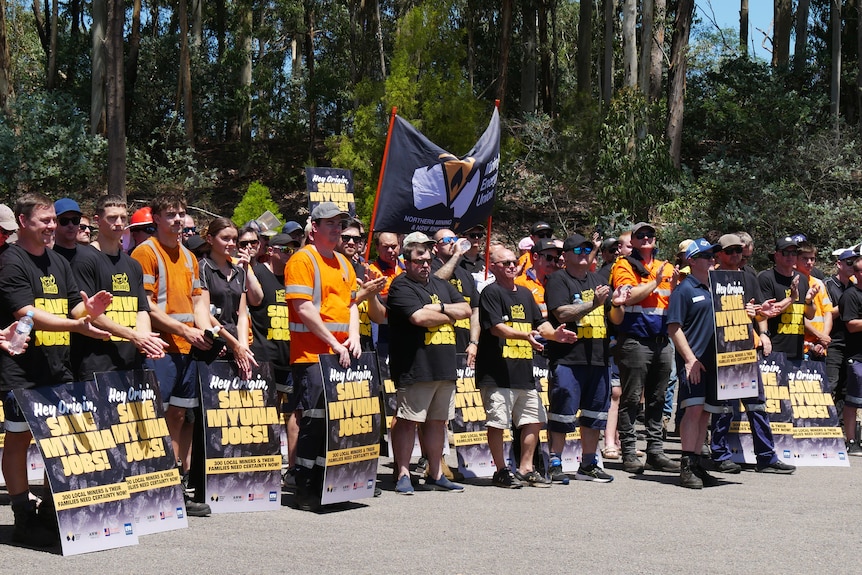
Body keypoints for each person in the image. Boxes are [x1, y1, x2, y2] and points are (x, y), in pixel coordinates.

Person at [0, 192, 113, 546]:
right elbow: (28, 314)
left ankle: (51, 510)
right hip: (21, 370)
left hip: (58, 367)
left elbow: (69, 309)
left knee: (62, 440)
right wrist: (76, 325)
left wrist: (88, 311)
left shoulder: (58, 262)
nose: (53, 227)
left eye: (55, 220)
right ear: (23, 222)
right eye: (45, 221)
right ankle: (22, 515)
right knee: (19, 439)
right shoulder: (10, 261)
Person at [131, 193, 214, 516]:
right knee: (153, 416)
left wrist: (206, 332)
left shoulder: (190, 257)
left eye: (181, 214)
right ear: (157, 219)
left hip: (186, 349)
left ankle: (173, 486)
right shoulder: (145, 252)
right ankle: (147, 486)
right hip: (159, 349)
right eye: (171, 215)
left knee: (179, 417)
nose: (178, 220)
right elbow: (146, 305)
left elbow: (197, 302)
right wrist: (184, 331)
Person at [477, 247, 576, 488]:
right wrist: (525, 336)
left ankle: (526, 467)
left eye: (514, 262)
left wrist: (554, 335)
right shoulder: (490, 293)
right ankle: (501, 470)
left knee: (534, 420)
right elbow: (496, 328)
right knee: (498, 423)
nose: (511, 266)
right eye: (505, 263)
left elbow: (540, 324)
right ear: (493, 267)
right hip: (496, 372)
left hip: (523, 371)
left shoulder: (524, 293)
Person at [284, 202, 361, 510]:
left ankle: (326, 484)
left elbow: (352, 305)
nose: (336, 228)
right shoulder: (303, 259)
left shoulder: (344, 263)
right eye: (329, 223)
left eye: (339, 223)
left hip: (340, 355)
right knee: (314, 422)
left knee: (335, 423)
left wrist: (353, 337)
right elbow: (303, 308)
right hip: (311, 355)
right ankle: (303, 485)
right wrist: (335, 342)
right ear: (314, 227)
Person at [388, 240, 471, 494]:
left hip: (444, 367)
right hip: (416, 367)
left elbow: (466, 309)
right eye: (418, 261)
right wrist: (449, 315)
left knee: (437, 422)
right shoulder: (401, 285)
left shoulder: (441, 285)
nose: (424, 266)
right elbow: (418, 317)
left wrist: (442, 307)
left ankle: (435, 472)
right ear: (406, 262)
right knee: (407, 421)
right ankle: (403, 472)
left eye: (427, 261)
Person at [708, 233, 795, 475]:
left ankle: (766, 457)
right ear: (719, 254)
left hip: (745, 347)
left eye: (739, 250)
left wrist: (762, 324)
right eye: (730, 251)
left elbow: (759, 311)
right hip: (721, 350)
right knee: (724, 407)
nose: (735, 255)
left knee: (756, 404)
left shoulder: (748, 276)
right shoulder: (710, 276)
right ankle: (720, 454)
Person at [70, 195, 167, 381]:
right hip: (96, 364)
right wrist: (133, 335)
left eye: (123, 218)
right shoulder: (84, 259)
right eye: (112, 218)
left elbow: (141, 309)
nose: (119, 223)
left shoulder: (133, 265)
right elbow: (88, 313)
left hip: (130, 362)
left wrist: (146, 340)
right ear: (97, 221)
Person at [609, 222, 680, 474]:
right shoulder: (624, 265)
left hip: (662, 341)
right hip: (635, 341)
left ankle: (655, 452)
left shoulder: (667, 266)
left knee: (658, 398)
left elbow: (676, 299)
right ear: (634, 241)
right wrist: (657, 281)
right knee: (631, 399)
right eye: (641, 235)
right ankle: (629, 451)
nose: (647, 238)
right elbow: (629, 296)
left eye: (650, 234)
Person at [544, 233, 615, 483]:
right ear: (565, 255)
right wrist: (593, 303)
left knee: (595, 414)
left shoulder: (599, 279)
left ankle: (588, 463)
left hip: (599, 358)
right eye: (578, 251)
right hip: (568, 358)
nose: (584, 254)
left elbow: (614, 318)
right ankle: (554, 461)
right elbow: (561, 313)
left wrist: (618, 305)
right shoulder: (557, 280)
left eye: (587, 250)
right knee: (562, 413)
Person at [667, 238, 723, 488]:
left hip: (715, 362)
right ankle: (686, 466)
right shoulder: (684, 289)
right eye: (706, 256)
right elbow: (674, 328)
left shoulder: (715, 288)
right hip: (695, 361)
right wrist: (690, 360)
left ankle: (698, 464)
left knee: (705, 414)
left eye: (713, 255)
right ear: (691, 261)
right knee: (693, 411)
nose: (712, 259)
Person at [199, 217, 258, 379]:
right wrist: (232, 343)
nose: (231, 244)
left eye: (234, 239)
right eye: (225, 239)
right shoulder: (203, 268)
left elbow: (243, 315)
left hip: (237, 346)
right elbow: (204, 312)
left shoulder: (240, 272)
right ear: (210, 239)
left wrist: (244, 347)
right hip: (214, 346)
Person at [824, 249, 857, 418]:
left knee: (847, 388)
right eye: (849, 262)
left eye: (856, 262)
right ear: (839, 264)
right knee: (831, 384)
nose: (853, 266)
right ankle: (825, 425)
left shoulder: (855, 285)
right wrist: (847, 303)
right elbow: (826, 313)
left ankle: (842, 428)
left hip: (852, 343)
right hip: (834, 341)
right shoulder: (828, 285)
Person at [838, 258, 862, 455]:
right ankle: (851, 440)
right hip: (857, 355)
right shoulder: (850, 295)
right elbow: (851, 325)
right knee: (853, 400)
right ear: (856, 273)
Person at [796, 241, 833, 361]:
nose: (809, 263)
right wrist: (820, 336)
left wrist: (823, 339)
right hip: (803, 346)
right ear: (796, 259)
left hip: (821, 346)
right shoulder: (794, 283)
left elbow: (828, 313)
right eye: (805, 259)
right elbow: (798, 317)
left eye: (812, 259)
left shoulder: (819, 283)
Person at [515, 238, 563, 319]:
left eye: (555, 259)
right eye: (549, 258)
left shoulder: (557, 282)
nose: (552, 263)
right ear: (535, 256)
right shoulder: (520, 283)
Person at [51, 197, 83, 263]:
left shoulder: (90, 256)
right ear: (54, 222)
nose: (71, 225)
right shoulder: (48, 256)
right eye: (64, 221)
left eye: (75, 220)